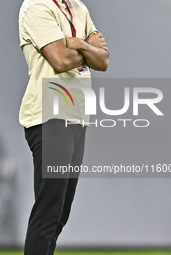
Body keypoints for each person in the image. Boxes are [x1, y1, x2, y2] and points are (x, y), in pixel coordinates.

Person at [18, 0, 109, 254]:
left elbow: (103, 61)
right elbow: (59, 59)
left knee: (59, 214)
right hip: (50, 115)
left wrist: (77, 43)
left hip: (77, 116)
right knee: (49, 211)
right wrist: (88, 46)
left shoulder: (79, 7)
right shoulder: (36, 7)